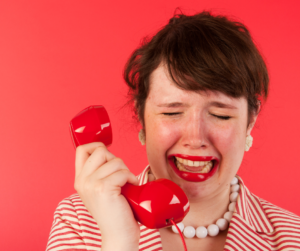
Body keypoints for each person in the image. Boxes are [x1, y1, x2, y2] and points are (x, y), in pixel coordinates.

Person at [46, 11, 300, 251]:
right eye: (171, 112)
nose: (195, 139)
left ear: (250, 121)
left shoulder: (292, 238)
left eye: (221, 115)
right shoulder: (78, 222)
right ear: (141, 118)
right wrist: (119, 240)